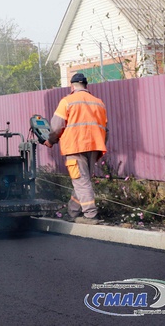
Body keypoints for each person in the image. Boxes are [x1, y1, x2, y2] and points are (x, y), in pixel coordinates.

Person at [43, 73, 108, 225]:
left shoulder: (67, 101)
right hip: (94, 146)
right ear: (86, 86)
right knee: (82, 181)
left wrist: (50, 141)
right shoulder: (99, 103)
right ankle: (73, 212)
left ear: (72, 87)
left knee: (81, 181)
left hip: (75, 146)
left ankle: (91, 215)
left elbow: (56, 126)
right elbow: (106, 129)